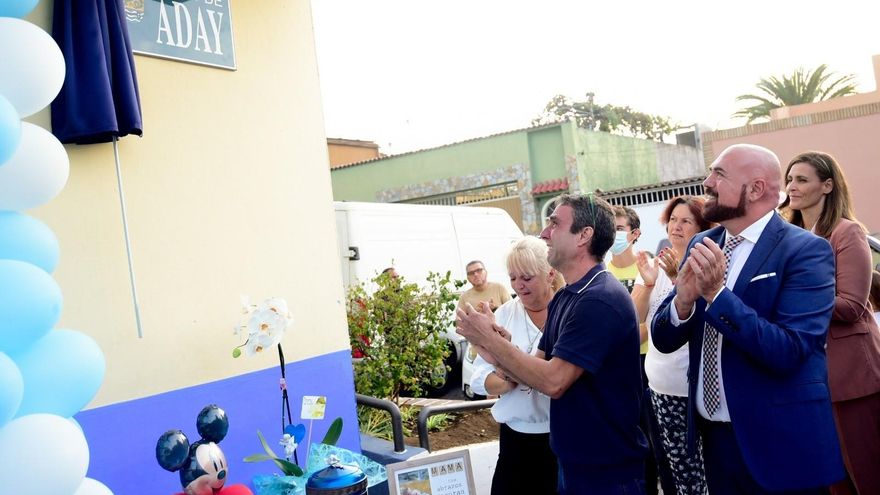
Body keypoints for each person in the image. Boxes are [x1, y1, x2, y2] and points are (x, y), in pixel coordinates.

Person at [651, 144, 844, 494]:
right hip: (716, 441)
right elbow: (664, 339)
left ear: (755, 189)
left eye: (719, 174)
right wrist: (682, 300)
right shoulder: (702, 243)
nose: (707, 182)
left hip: (781, 445)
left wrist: (717, 296)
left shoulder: (805, 251)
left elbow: (789, 350)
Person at [458, 193, 647, 494]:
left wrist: (490, 340)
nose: (544, 232)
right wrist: (493, 349)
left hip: (605, 469)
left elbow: (554, 381)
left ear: (584, 235)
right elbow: (534, 371)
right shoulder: (567, 297)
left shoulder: (599, 298)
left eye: (555, 224)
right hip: (572, 462)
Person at [780, 150, 880, 495]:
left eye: (802, 179)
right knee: (834, 483)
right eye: (789, 179)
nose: (792, 186)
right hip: (808, 379)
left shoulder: (846, 232)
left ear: (827, 186)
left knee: (866, 475)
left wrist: (790, 298)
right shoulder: (787, 238)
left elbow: (851, 306)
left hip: (852, 378)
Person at [469, 236, 564, 495]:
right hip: (515, 437)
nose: (518, 285)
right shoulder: (505, 314)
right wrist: (507, 380)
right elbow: (479, 376)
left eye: (527, 277)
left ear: (550, 274)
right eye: (513, 278)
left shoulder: (568, 311)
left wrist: (511, 366)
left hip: (563, 436)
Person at [632, 195, 711, 495]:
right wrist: (649, 283)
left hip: (690, 391)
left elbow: (701, 320)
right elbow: (635, 319)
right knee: (669, 473)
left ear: (702, 227)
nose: (676, 227)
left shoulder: (702, 266)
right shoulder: (653, 265)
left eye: (686, 221)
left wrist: (677, 277)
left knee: (696, 476)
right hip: (657, 388)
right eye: (673, 220)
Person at [610, 206, 660, 494]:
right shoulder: (602, 271)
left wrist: (621, 337)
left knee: (650, 435)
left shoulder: (648, 266)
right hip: (615, 365)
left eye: (619, 228)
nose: (615, 234)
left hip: (645, 362)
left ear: (635, 233)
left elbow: (652, 320)